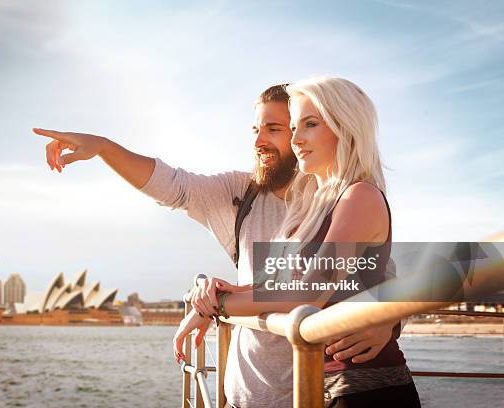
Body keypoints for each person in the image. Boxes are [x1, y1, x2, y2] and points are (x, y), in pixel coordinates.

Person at [32, 84, 398, 407]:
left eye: (277, 128)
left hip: (320, 391)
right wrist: (104, 148)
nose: (259, 142)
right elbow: (173, 185)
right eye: (256, 130)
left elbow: (373, 273)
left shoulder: (340, 196)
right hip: (250, 392)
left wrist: (388, 320)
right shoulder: (247, 195)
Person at [177, 77, 420, 407]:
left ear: (345, 126)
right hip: (324, 386)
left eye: (309, 125)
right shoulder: (315, 204)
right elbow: (290, 285)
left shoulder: (359, 196)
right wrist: (221, 292)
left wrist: (219, 307)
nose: (296, 139)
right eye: (293, 127)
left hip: (365, 390)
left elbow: (308, 294)